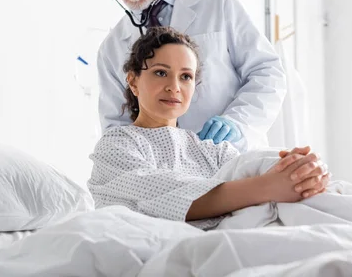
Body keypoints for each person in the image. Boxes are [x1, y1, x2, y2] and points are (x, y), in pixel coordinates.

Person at [87, 27, 330, 230]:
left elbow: (247, 167)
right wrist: (271, 186)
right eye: (161, 72)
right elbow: (165, 195)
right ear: (133, 81)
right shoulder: (117, 144)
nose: (174, 87)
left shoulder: (211, 149)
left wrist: (299, 168)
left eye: (185, 77)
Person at [95, 0, 287, 152]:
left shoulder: (218, 3)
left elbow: (267, 72)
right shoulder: (111, 50)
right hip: (170, 179)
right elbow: (116, 131)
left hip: (235, 157)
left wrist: (237, 124)